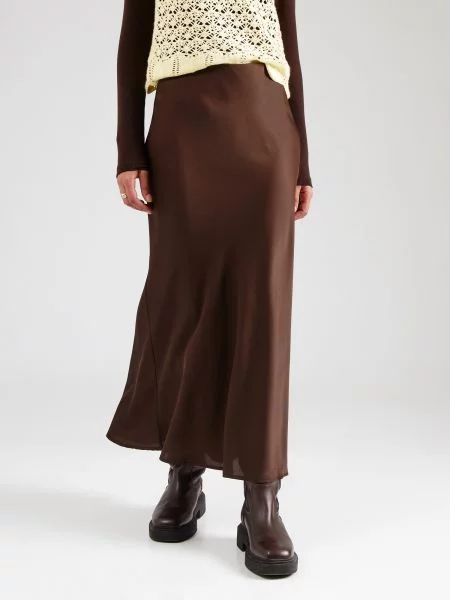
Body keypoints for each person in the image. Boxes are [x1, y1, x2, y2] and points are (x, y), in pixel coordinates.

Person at [106, 0, 313, 578]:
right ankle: (185, 472)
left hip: (265, 132)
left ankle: (262, 497)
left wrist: (303, 161)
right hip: (181, 137)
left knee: (263, 311)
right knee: (182, 303)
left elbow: (289, 51)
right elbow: (133, 45)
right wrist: (129, 149)